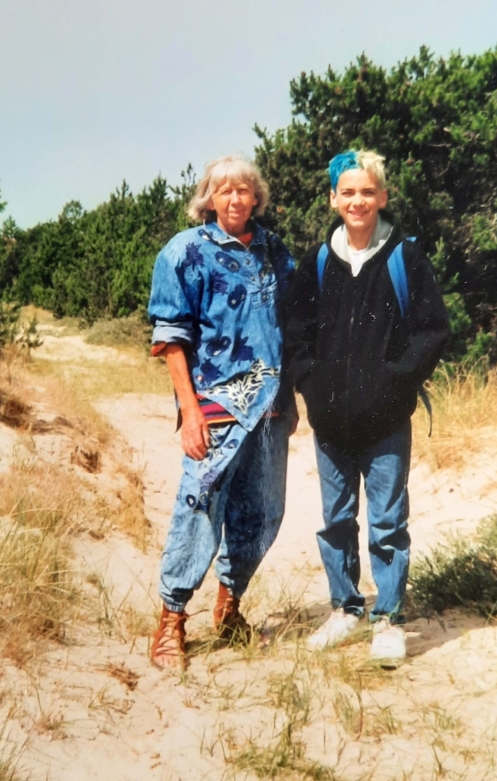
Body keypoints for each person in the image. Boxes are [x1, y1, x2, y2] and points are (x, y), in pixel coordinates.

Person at [286, 149, 449, 662]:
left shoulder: (405, 257)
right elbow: (295, 334)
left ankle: (389, 619)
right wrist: (312, 384)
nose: (358, 201)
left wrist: (396, 383)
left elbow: (433, 332)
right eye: (347, 192)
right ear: (334, 199)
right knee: (335, 519)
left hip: (386, 421)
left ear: (383, 196)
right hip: (331, 422)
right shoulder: (316, 262)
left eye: (367, 192)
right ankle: (345, 609)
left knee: (386, 523)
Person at [147, 154, 296, 669]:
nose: (235, 199)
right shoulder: (184, 252)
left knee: (263, 513)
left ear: (256, 197)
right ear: (209, 198)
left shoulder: (276, 252)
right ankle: (171, 621)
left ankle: (230, 607)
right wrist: (189, 412)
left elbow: (297, 320)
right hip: (215, 407)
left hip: (273, 409)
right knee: (199, 508)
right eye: (223, 190)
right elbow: (170, 339)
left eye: (244, 190)